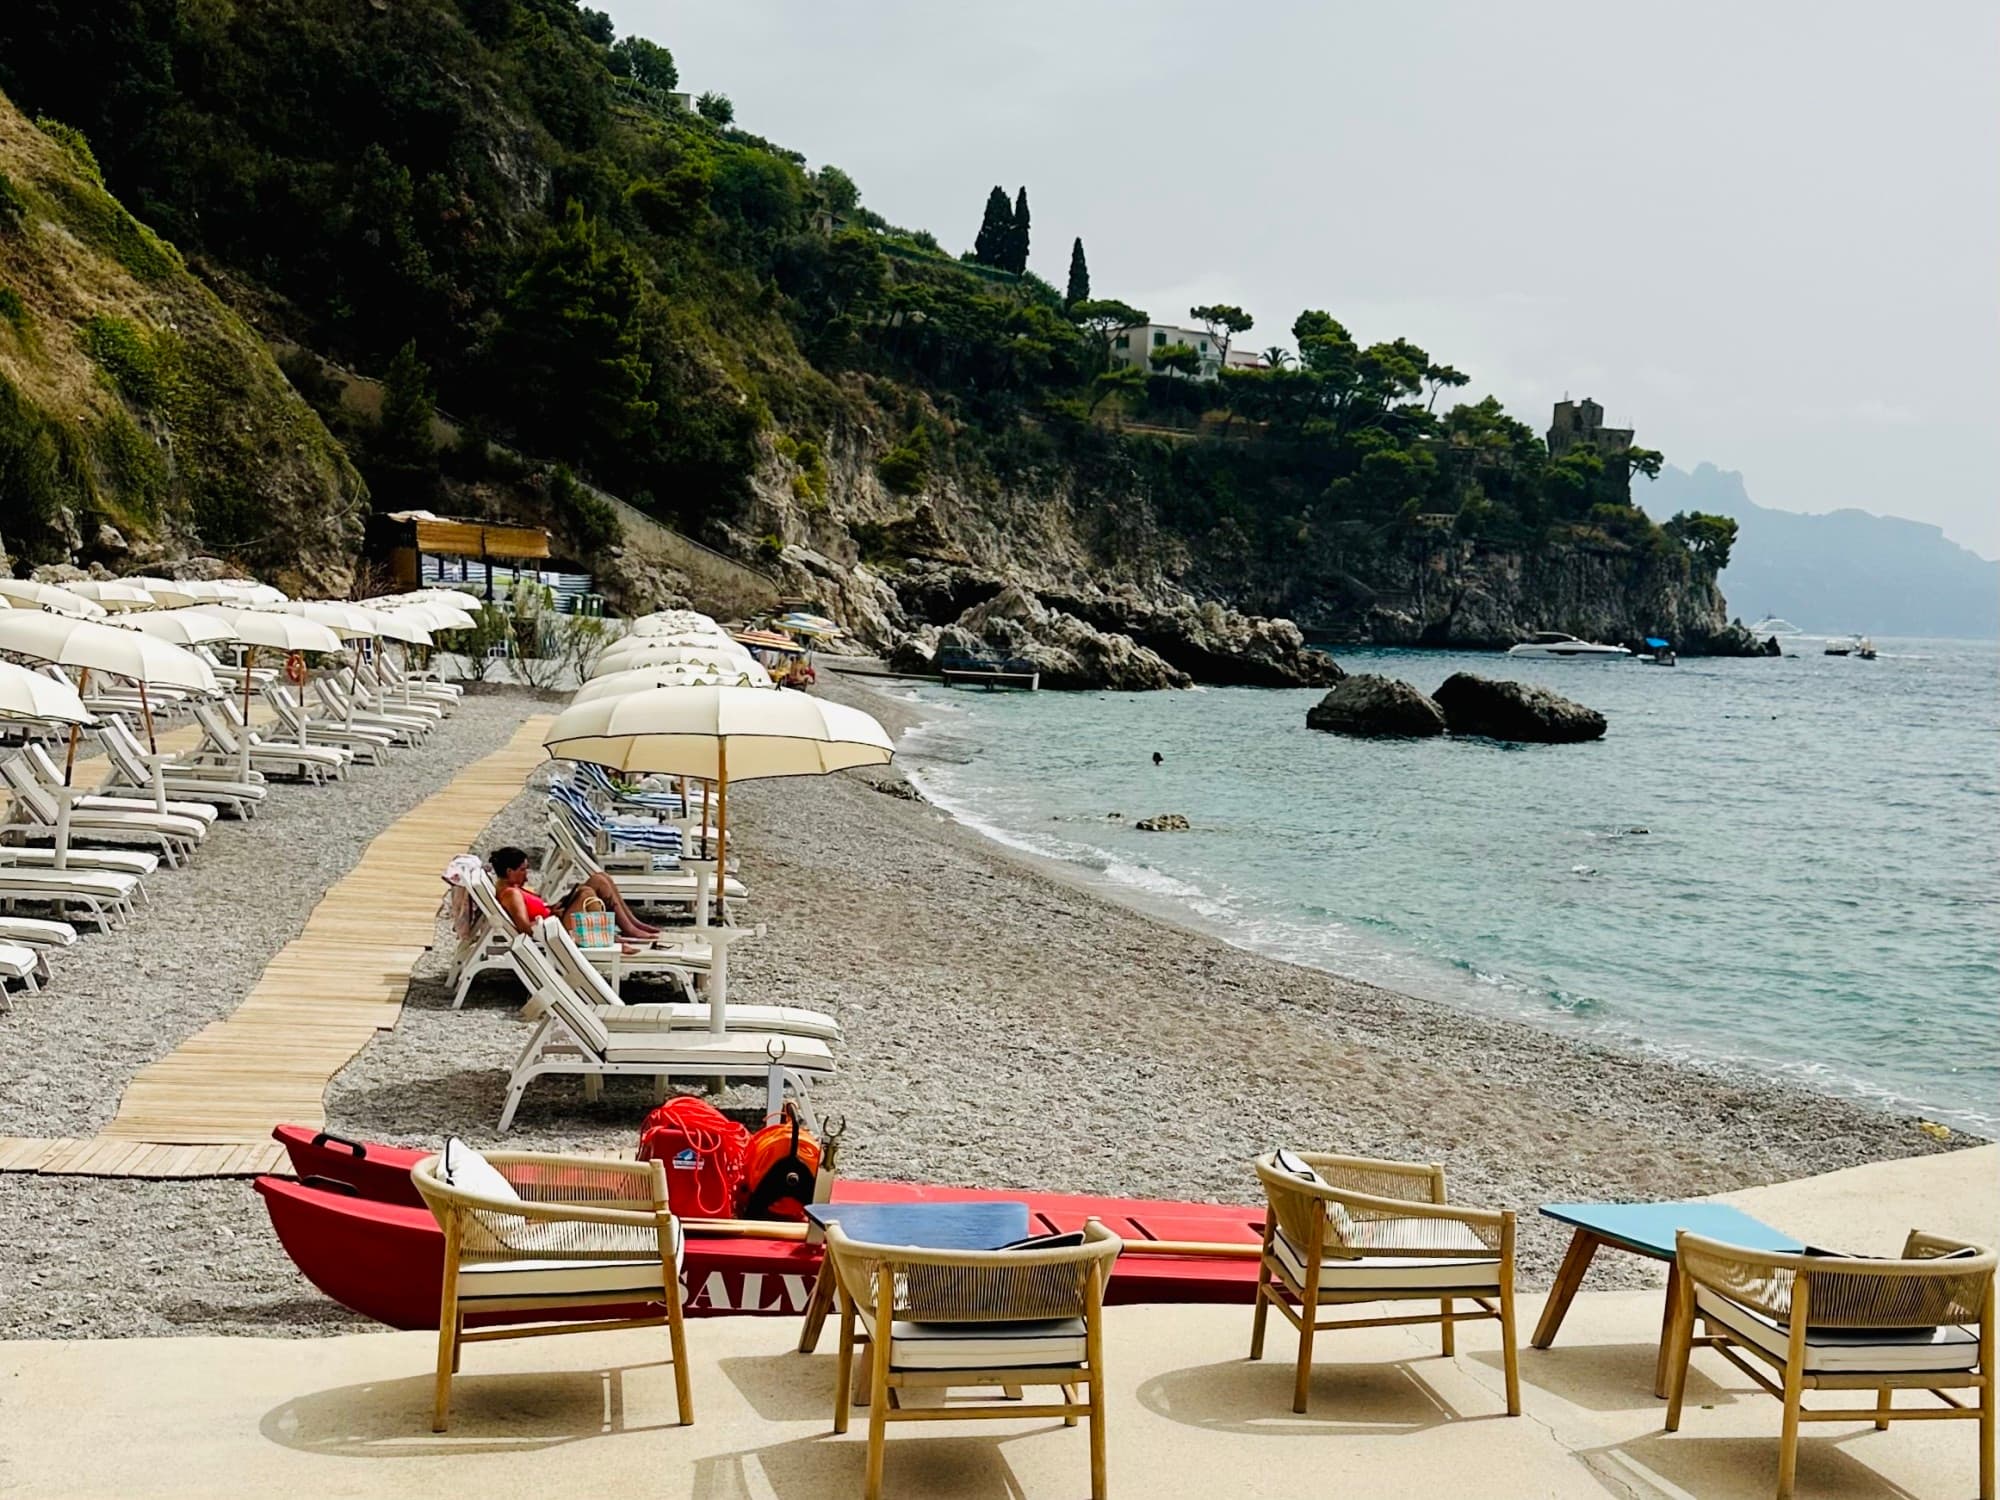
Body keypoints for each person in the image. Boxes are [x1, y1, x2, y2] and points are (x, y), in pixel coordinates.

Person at [489, 845, 660, 941]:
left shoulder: (512, 888)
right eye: (523, 870)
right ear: (510, 871)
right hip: (557, 930)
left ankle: (632, 925)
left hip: (555, 918)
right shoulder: (511, 894)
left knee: (600, 878)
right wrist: (552, 917)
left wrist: (551, 909)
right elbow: (525, 928)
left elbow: (532, 912)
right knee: (586, 893)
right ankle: (608, 937)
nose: (526, 874)